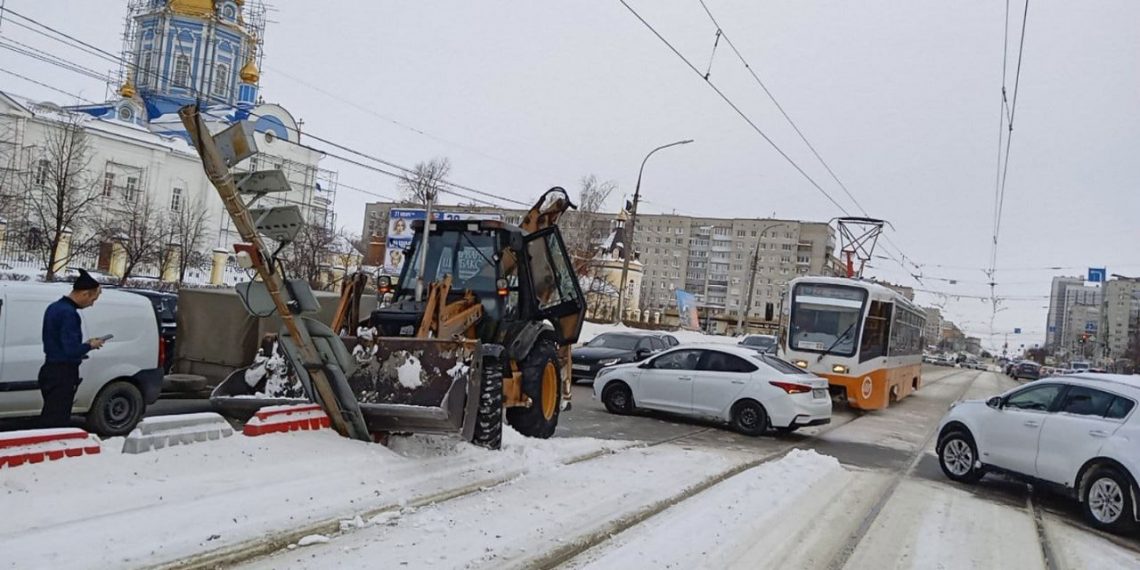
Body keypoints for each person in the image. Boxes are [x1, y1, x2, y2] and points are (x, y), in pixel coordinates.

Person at [39, 269, 105, 428]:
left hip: (50, 369)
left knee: (49, 413)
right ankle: (51, 448)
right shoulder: (69, 314)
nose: (92, 304)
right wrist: (90, 345)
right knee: (57, 420)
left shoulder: (54, 307)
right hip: (63, 373)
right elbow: (70, 349)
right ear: (85, 294)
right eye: (93, 299)